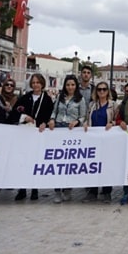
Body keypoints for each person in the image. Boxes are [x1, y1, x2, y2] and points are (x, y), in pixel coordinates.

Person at [9, 73, 55, 201]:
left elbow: (50, 115)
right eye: (33, 83)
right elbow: (13, 114)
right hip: (24, 134)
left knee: (35, 162)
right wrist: (24, 117)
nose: (35, 85)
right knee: (23, 162)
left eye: (38, 82)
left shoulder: (47, 100)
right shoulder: (24, 98)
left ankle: (35, 189)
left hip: (38, 135)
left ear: (42, 84)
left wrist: (45, 123)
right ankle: (22, 189)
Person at [45, 74, 88, 204]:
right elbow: (54, 111)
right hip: (58, 128)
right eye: (68, 85)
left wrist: (77, 122)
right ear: (65, 86)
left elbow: (83, 116)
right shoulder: (60, 97)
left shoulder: (80, 99)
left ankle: (68, 189)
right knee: (57, 162)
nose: (70, 87)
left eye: (73, 85)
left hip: (71, 130)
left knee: (69, 163)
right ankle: (57, 191)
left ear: (76, 86)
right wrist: (52, 119)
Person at [82, 81, 118, 204]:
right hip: (94, 140)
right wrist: (85, 123)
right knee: (93, 166)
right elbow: (87, 118)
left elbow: (117, 120)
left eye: (104, 89)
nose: (101, 91)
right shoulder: (92, 105)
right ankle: (92, 192)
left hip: (108, 140)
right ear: (96, 91)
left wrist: (112, 123)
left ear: (108, 91)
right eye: (99, 89)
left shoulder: (113, 105)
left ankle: (107, 192)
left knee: (107, 166)